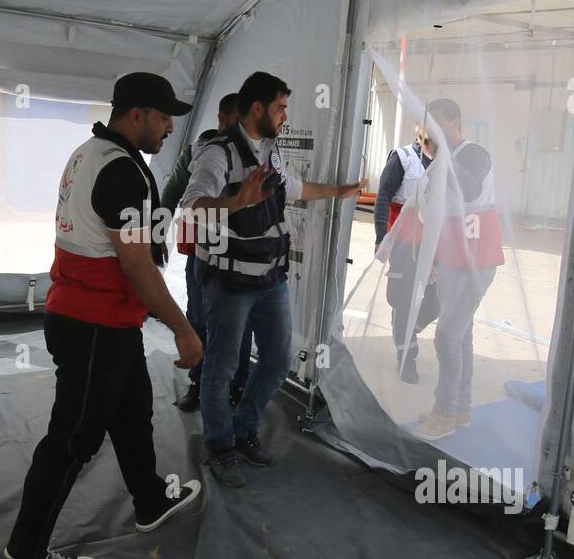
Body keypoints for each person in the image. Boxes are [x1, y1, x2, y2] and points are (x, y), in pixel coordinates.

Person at [0, 72, 205, 559]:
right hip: (93, 325)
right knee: (71, 440)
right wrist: (183, 328)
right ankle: (24, 556)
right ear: (137, 115)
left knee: (132, 411)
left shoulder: (89, 153)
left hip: (105, 320)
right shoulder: (120, 171)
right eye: (163, 118)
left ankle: (149, 499)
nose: (169, 129)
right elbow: (136, 265)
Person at [181, 71, 363, 487]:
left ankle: (243, 429)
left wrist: (338, 191)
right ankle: (220, 447)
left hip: (270, 281)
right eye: (280, 108)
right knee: (221, 369)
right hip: (228, 284)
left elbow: (292, 188)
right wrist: (237, 200)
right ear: (257, 107)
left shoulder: (270, 150)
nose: (285, 116)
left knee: (278, 361)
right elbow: (191, 206)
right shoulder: (217, 154)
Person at [414, 99, 504, 440]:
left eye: (439, 125)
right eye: (429, 127)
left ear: (456, 122)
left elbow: (468, 189)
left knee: (447, 335)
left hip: (476, 259)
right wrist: (434, 259)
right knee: (461, 334)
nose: (432, 133)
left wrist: (439, 156)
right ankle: (460, 409)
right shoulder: (439, 161)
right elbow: (436, 212)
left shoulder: (474, 154)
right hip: (454, 257)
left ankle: (445, 414)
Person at [159, 92, 252, 412]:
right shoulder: (197, 151)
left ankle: (237, 386)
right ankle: (199, 383)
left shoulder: (257, 154)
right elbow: (171, 193)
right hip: (203, 254)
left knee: (240, 324)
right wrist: (157, 236)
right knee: (199, 318)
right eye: (238, 121)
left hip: (243, 257)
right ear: (222, 119)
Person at [372, 116, 440, 384]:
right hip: (403, 244)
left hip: (433, 244)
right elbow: (383, 197)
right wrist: (381, 237)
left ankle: (410, 326)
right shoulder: (401, 158)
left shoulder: (443, 164)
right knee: (403, 300)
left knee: (436, 301)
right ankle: (406, 357)